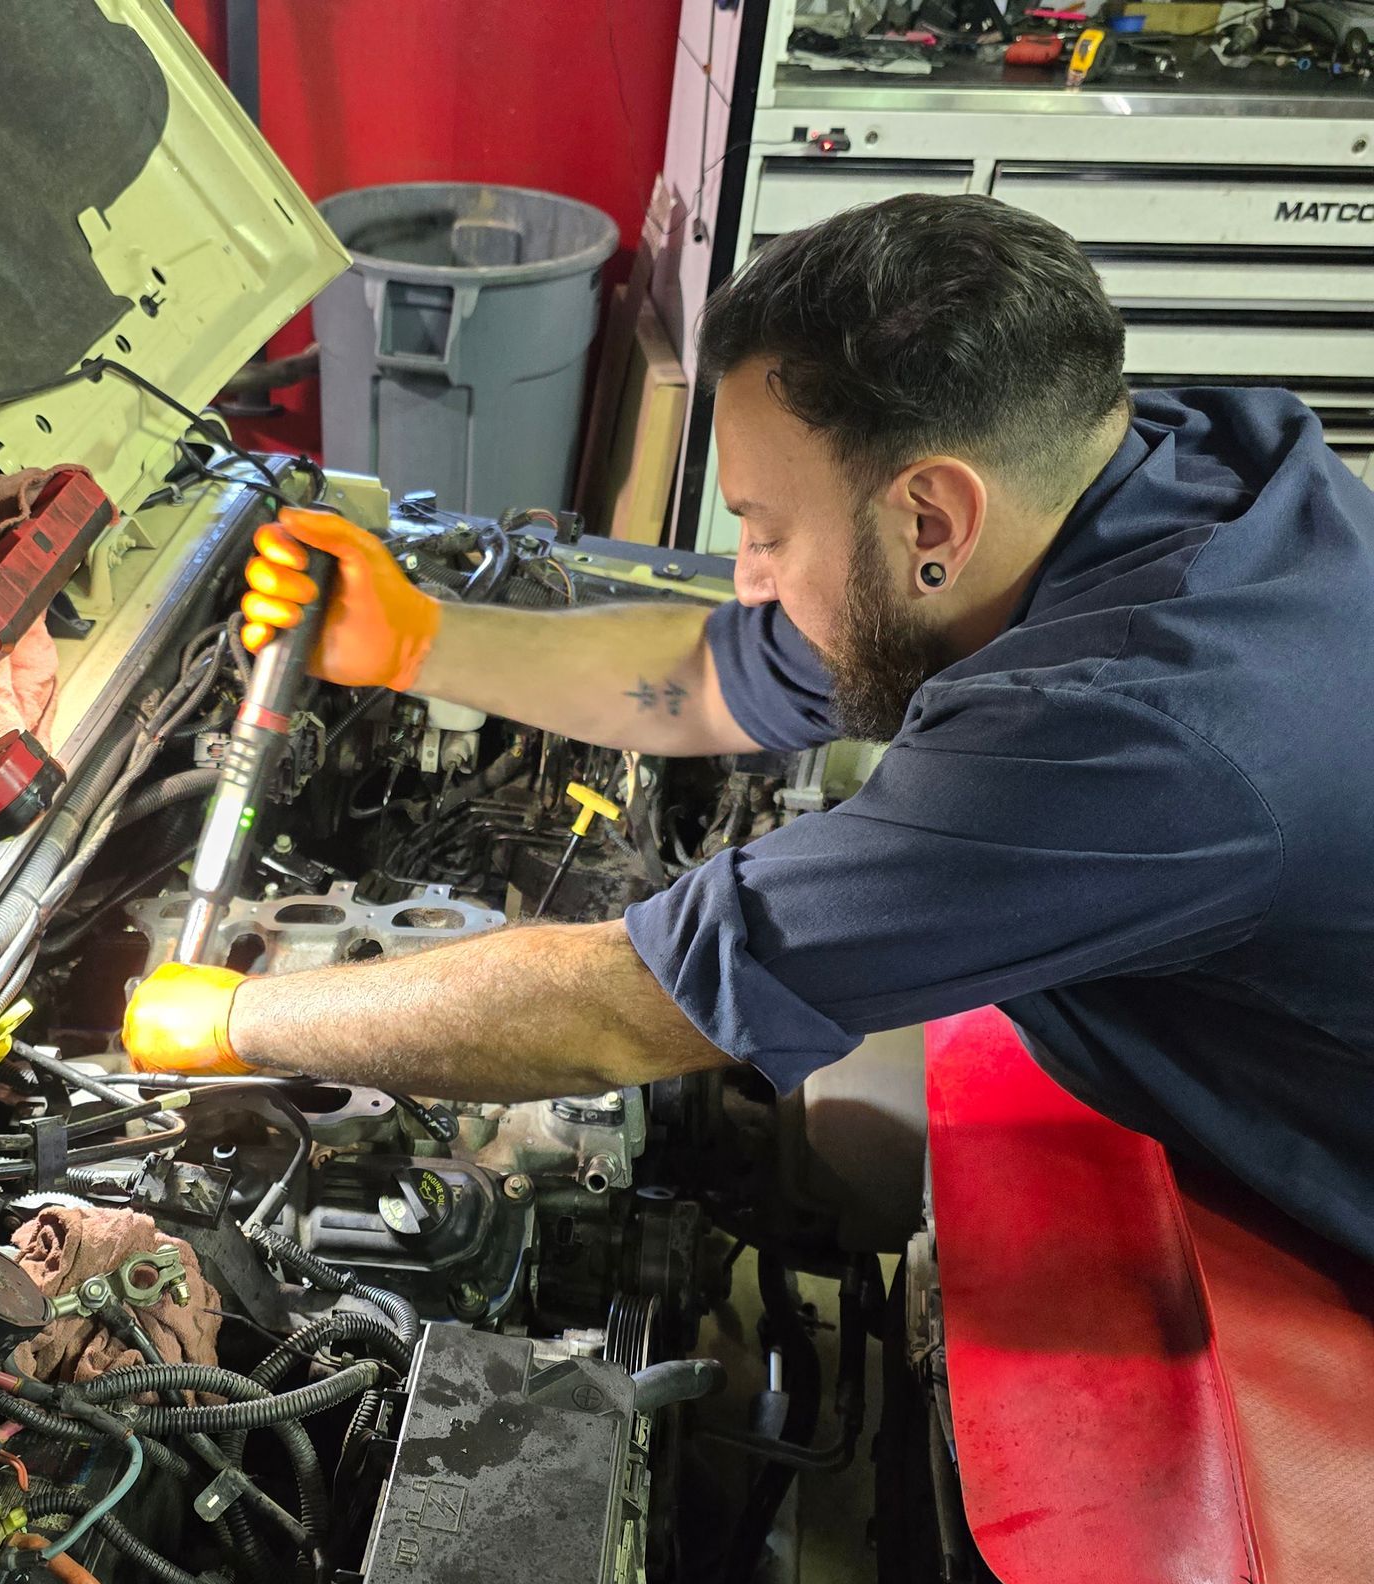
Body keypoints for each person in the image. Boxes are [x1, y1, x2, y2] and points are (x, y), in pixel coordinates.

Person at [123, 193, 1374, 1262]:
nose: (752, 575)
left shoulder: (1138, 730)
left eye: (765, 529)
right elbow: (724, 671)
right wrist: (415, 642)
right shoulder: (1149, 476)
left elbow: (623, 1006)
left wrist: (231, 1021)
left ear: (933, 518)